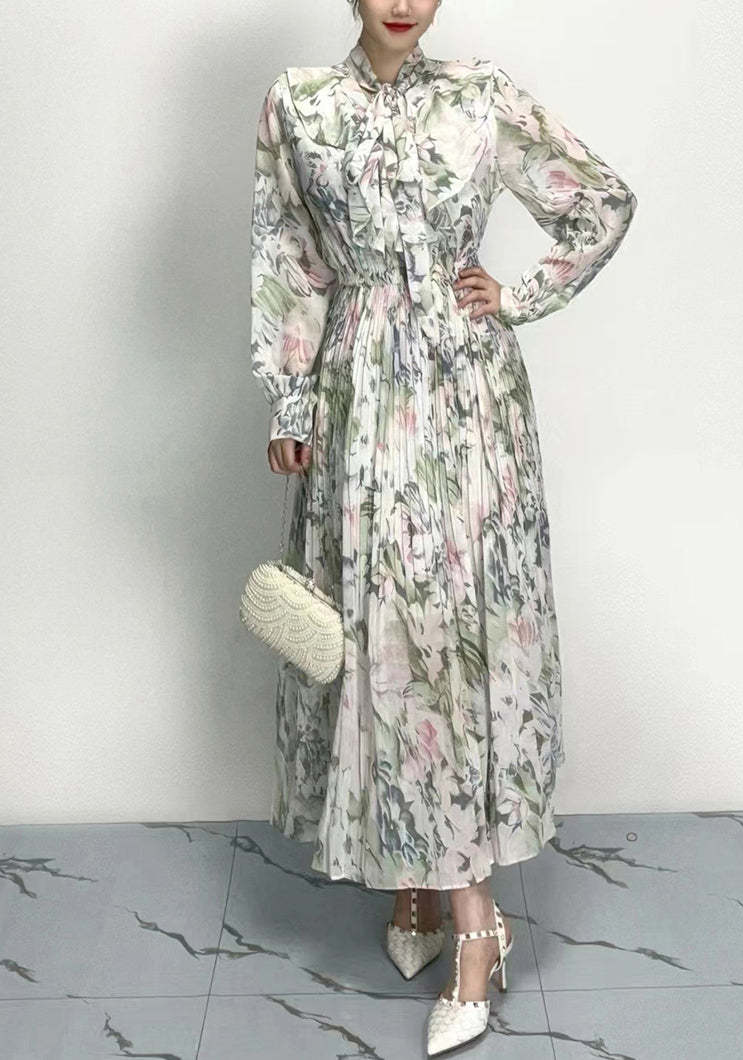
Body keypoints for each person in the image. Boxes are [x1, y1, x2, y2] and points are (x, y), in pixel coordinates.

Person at [249, 1, 637, 1053]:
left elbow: (600, 202)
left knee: (443, 639)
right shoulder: (301, 105)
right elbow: (290, 254)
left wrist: (515, 295)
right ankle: (409, 880)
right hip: (354, 394)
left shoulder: (479, 96)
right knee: (372, 632)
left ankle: (474, 925)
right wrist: (292, 399)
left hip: (464, 403)